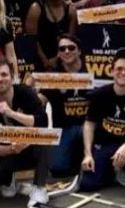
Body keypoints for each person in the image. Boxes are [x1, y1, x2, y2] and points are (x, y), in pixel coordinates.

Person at [0, 57, 50, 206]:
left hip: (30, 148)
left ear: (12, 76)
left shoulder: (26, 92)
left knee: (46, 139)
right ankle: (9, 181)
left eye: (4, 74)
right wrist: (12, 148)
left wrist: (11, 113)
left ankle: (39, 188)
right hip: (8, 153)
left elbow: (42, 121)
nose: (0, 79)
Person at [80, 48, 125, 190]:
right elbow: (89, 125)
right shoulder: (99, 94)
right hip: (104, 145)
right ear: (112, 71)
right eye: (119, 69)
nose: (123, 73)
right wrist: (87, 154)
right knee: (87, 185)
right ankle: (110, 171)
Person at [39, 33, 91, 177]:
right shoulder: (53, 76)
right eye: (62, 49)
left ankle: (84, 154)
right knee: (57, 168)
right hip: (64, 128)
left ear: (79, 51)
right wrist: (29, 91)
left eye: (71, 48)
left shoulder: (92, 70)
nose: (67, 51)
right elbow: (40, 100)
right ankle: (74, 157)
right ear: (58, 54)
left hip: (87, 126)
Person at [24, 0, 78, 69]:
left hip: (64, 61)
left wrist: (57, 58)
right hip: (39, 63)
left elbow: (71, 41)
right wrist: (45, 61)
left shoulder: (71, 10)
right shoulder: (36, 9)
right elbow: (32, 40)